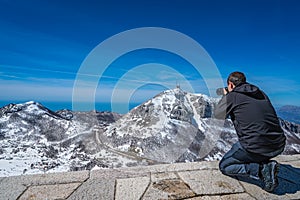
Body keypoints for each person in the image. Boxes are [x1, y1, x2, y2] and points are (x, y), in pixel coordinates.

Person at [214, 71, 286, 192]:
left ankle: (262, 170)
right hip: (278, 145)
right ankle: (262, 161)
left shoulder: (233, 96)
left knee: (225, 166)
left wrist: (226, 95)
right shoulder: (261, 93)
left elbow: (218, 115)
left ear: (230, 85)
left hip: (254, 147)